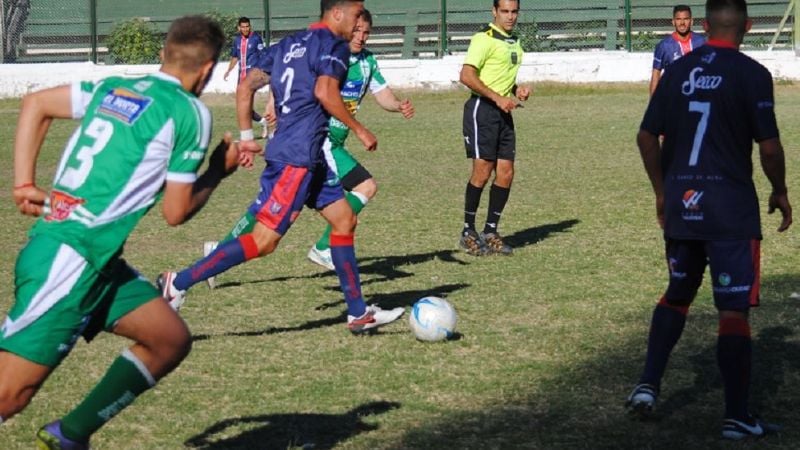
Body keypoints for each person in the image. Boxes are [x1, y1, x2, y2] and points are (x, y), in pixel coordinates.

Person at [0, 16, 239, 449]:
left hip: (95, 259)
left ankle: (69, 436)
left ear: (164, 53)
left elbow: (35, 103)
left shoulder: (115, 88)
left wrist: (22, 183)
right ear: (207, 69)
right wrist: (218, 172)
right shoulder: (190, 112)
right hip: (70, 262)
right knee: (8, 394)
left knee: (168, 339)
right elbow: (176, 212)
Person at [158, 0, 405, 333]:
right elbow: (325, 92)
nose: (360, 20)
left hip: (307, 154)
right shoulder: (333, 46)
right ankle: (178, 282)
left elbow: (246, 85)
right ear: (336, 13)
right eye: (356, 13)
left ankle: (358, 313)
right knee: (264, 241)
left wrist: (247, 136)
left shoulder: (289, 44)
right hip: (296, 158)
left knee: (344, 219)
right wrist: (360, 129)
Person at [626, 0, 792, 440]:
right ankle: (736, 415)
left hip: (683, 203)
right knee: (732, 311)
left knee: (678, 294)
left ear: (702, 26)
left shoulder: (678, 70)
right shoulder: (753, 74)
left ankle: (647, 384)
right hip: (730, 211)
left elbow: (646, 135)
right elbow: (769, 148)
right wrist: (780, 191)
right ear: (748, 27)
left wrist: (662, 192)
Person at [458, 0, 530, 257]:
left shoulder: (514, 41)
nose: (510, 17)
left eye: (514, 12)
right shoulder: (483, 38)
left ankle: (490, 231)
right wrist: (497, 97)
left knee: (507, 172)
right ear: (495, 12)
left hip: (504, 112)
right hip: (482, 111)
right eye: (505, 12)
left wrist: (515, 89)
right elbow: (466, 75)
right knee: (482, 171)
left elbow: (500, 77)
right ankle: (468, 231)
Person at [223, 16, 270, 139]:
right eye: (243, 27)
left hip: (252, 76)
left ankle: (247, 135)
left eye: (247, 26)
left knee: (245, 105)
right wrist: (229, 70)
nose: (245, 29)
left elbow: (263, 54)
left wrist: (262, 71)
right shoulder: (237, 40)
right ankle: (263, 122)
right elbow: (235, 57)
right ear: (239, 28)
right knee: (243, 107)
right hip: (241, 76)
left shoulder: (256, 38)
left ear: (250, 26)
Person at [650, 5, 706, 96]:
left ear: (691, 22)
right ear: (673, 22)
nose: (682, 23)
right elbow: (656, 74)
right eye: (678, 19)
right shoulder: (664, 46)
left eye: (686, 19)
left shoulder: (701, 42)